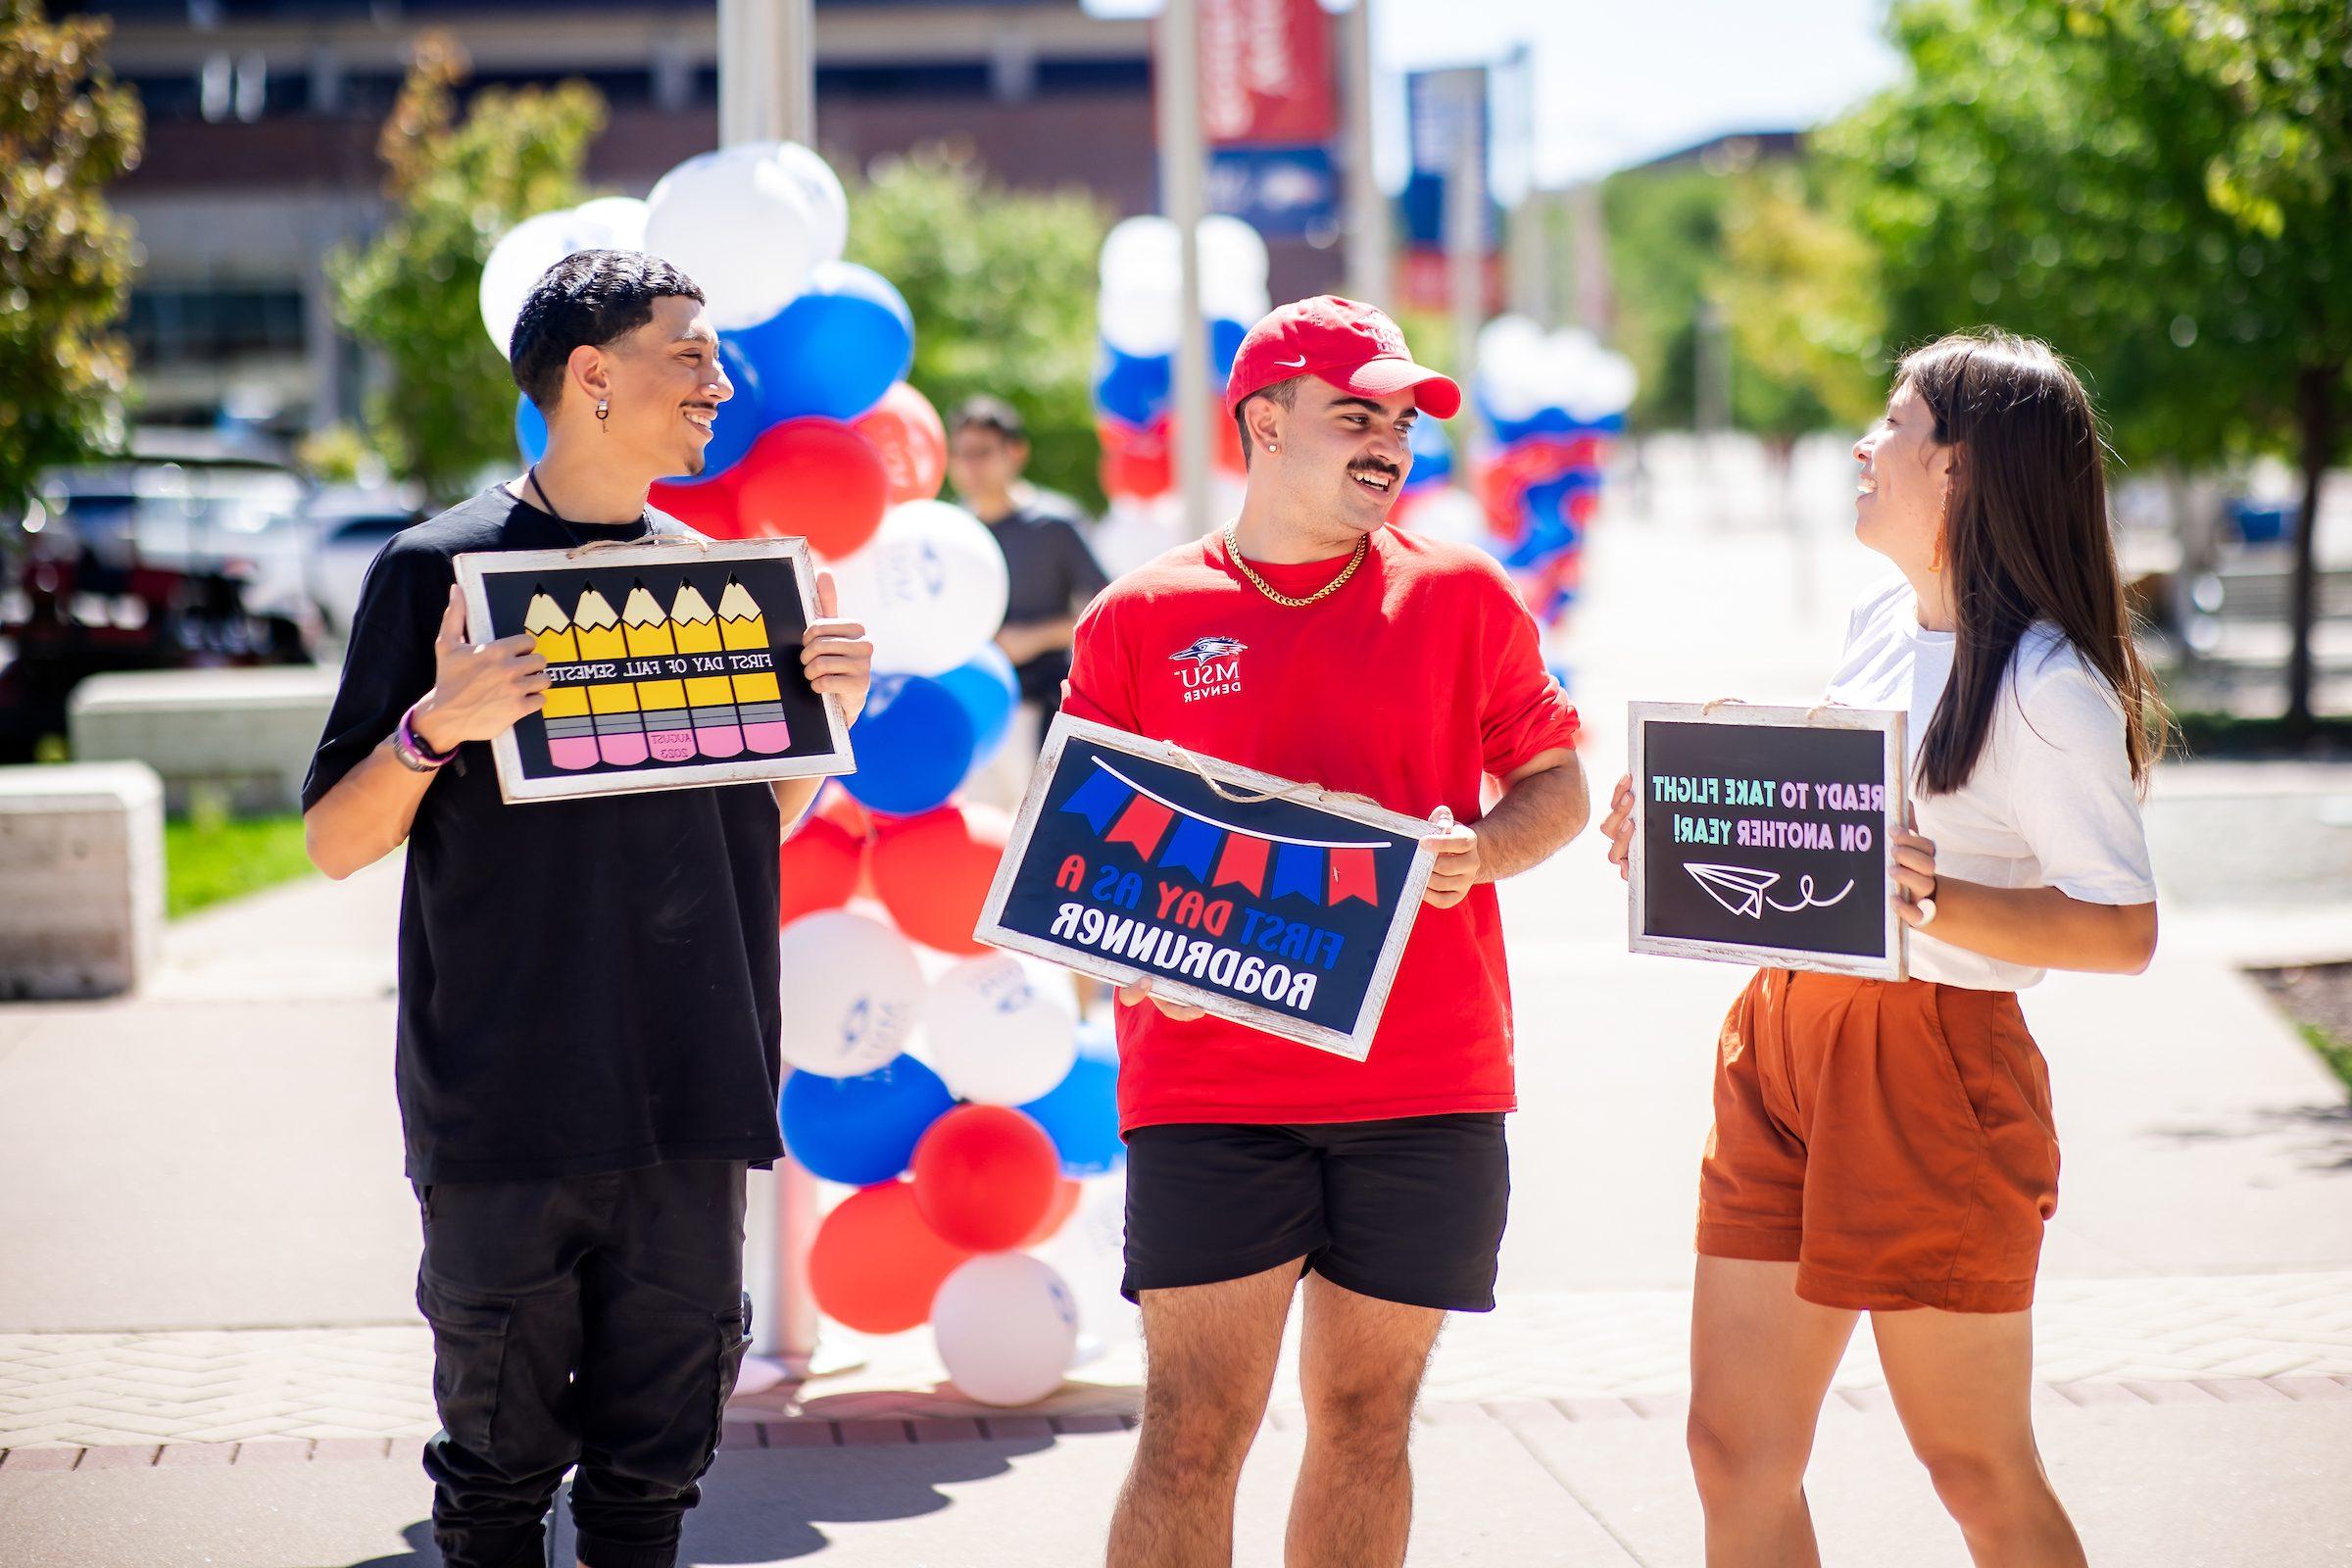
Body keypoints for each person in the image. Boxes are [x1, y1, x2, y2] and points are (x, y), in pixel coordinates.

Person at [300, 249, 872, 1568]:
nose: (721, 383)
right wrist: (436, 726)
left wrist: (811, 727)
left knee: (650, 1482)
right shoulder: (436, 572)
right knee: (496, 1479)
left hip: (690, 1098)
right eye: (691, 355)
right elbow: (337, 841)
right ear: (592, 377)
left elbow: (740, 827)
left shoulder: (730, 582)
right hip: (506, 1108)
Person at [1599, 329, 2162, 1568]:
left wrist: (1937, 899)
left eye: (1893, 424)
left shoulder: (2046, 684)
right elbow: (1830, 856)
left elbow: (2123, 931)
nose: (1864, 444)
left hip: (1931, 1073)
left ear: (1959, 466)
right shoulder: (1875, 616)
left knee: (1975, 1466)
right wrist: (1684, 832)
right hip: (1779, 1039)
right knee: (1732, 1452)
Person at [1066, 296, 1591, 1568]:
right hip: (1207, 1087)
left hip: (1425, 1083)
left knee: (1366, 1421)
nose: (1389, 444)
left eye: (1402, 422)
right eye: (1357, 414)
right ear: (1261, 423)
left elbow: (1557, 786)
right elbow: (1076, 871)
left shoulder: (1466, 596)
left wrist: (1484, 850)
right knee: (1196, 1426)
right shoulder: (1137, 618)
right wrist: (1130, 964)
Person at [948, 395, 1109, 803]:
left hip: (1039, 708)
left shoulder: (1055, 524)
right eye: (962, 453)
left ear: (1015, 452)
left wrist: (1033, 637)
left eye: (983, 452)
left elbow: (1106, 616)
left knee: (1036, 825)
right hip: (967, 706)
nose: (972, 465)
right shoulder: (949, 531)